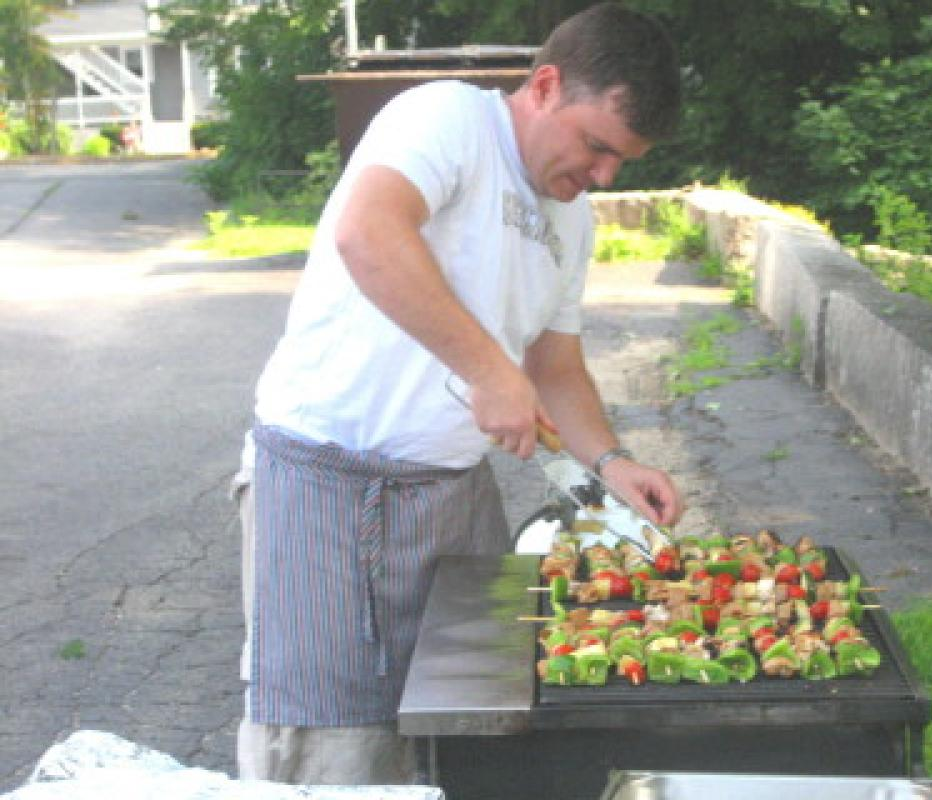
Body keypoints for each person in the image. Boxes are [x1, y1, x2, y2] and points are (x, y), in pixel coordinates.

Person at [233, 2, 684, 786]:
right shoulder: (443, 118)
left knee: (467, 731)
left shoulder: (570, 218)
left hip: (453, 492)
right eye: (597, 146)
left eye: (622, 162)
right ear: (544, 86)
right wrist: (486, 369)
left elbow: (554, 363)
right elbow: (367, 231)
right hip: (329, 484)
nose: (604, 176)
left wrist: (611, 462)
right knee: (330, 756)